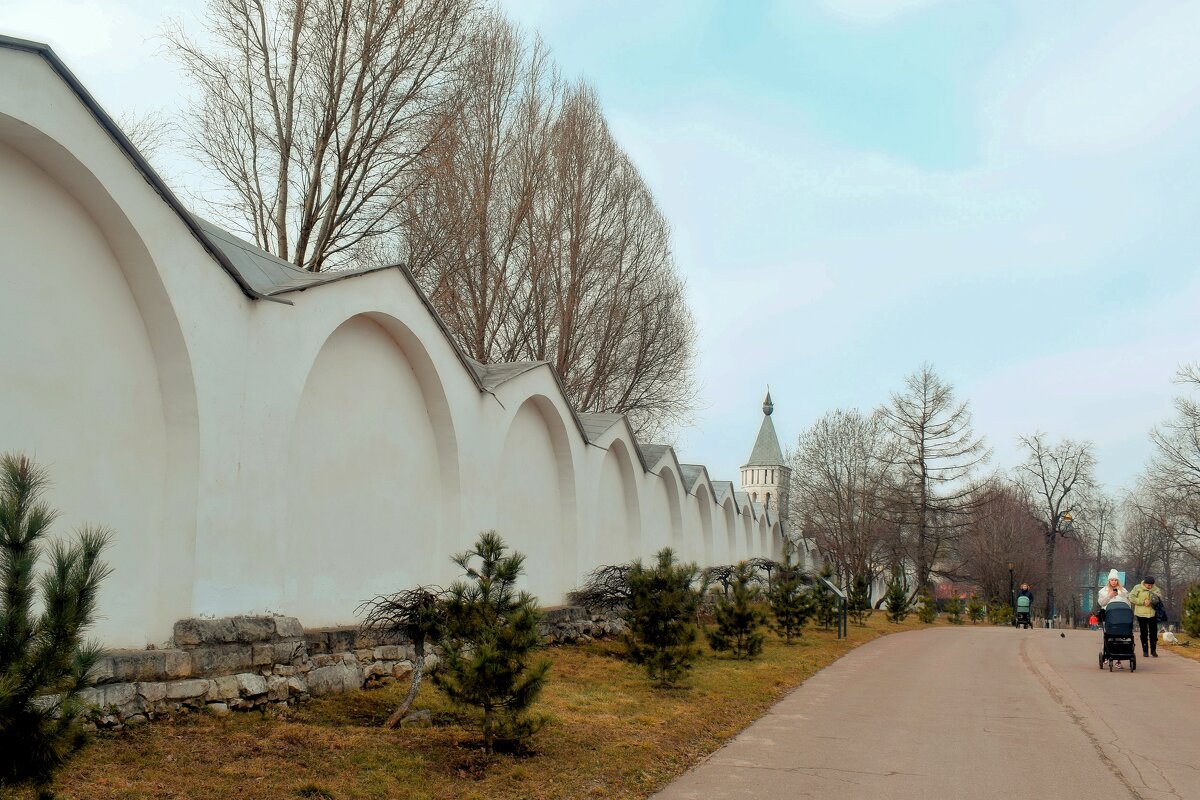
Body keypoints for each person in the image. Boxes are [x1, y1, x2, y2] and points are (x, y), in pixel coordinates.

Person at [1097, 569, 1130, 668]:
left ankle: (1118, 659)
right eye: (1112, 580)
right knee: (1108, 637)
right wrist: (1109, 596)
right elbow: (1101, 603)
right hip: (1109, 617)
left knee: (1119, 638)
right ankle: (1107, 655)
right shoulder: (1103, 591)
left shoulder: (1123, 591)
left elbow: (1128, 604)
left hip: (1120, 618)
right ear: (1109, 581)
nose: (1114, 582)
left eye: (1115, 580)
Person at [1128, 575, 1164, 657]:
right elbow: (1131, 597)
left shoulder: (1156, 589)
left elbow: (1159, 598)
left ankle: (1153, 650)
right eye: (1148, 585)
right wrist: (1142, 602)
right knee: (1144, 632)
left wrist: (1152, 601)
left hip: (1152, 614)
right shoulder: (1137, 588)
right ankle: (1145, 650)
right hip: (1141, 614)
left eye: (1151, 585)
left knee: (1153, 633)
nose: (1150, 587)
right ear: (1144, 583)